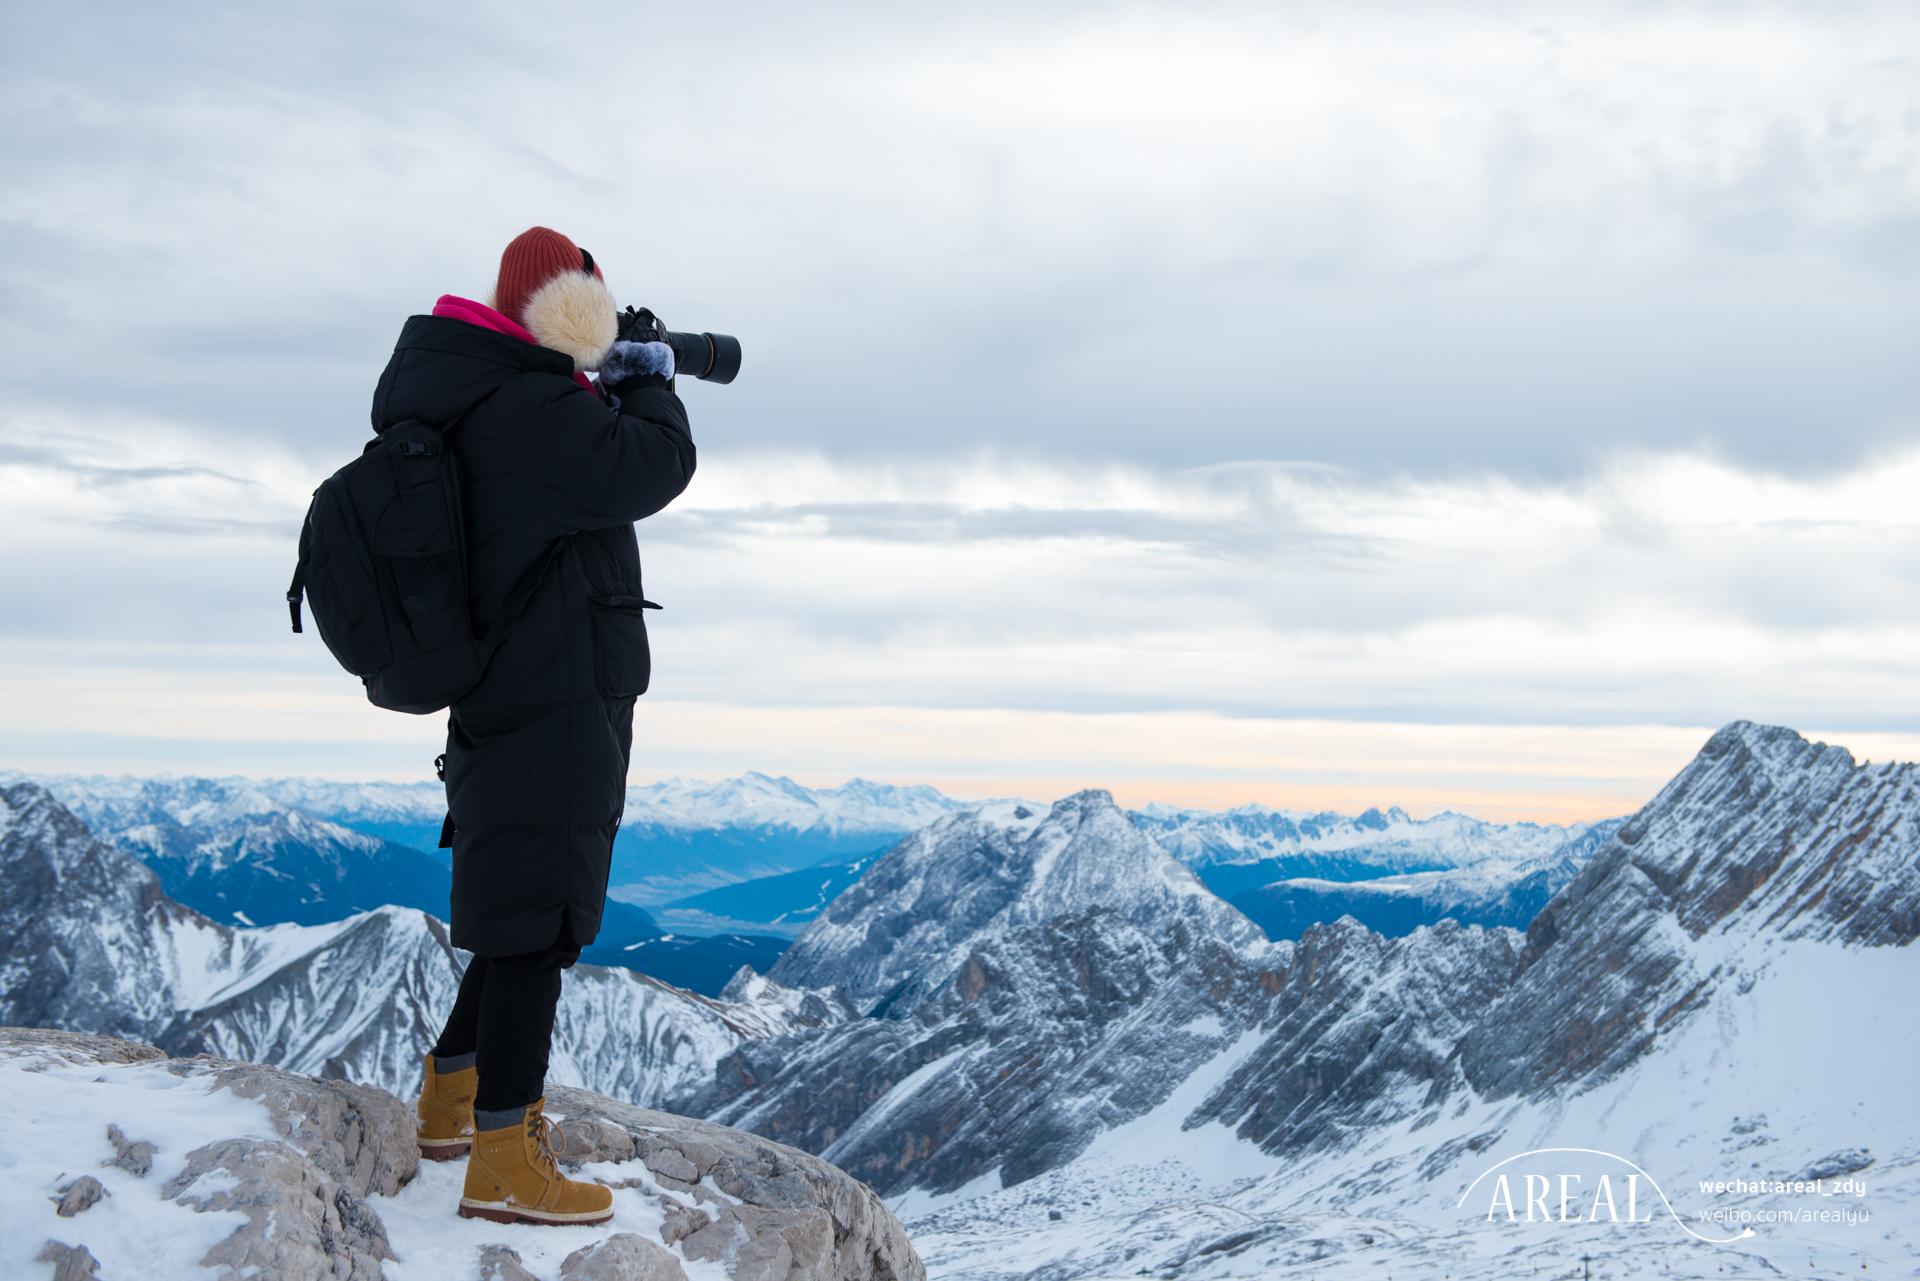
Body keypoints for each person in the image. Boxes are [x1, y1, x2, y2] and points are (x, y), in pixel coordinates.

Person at [374, 226, 696, 1226]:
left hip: (521, 691)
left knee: (522, 913)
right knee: (538, 921)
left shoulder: (479, 397)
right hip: (553, 698)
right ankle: (506, 1162)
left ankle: (450, 1102)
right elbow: (655, 465)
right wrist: (649, 378)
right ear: (571, 312)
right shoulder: (527, 410)